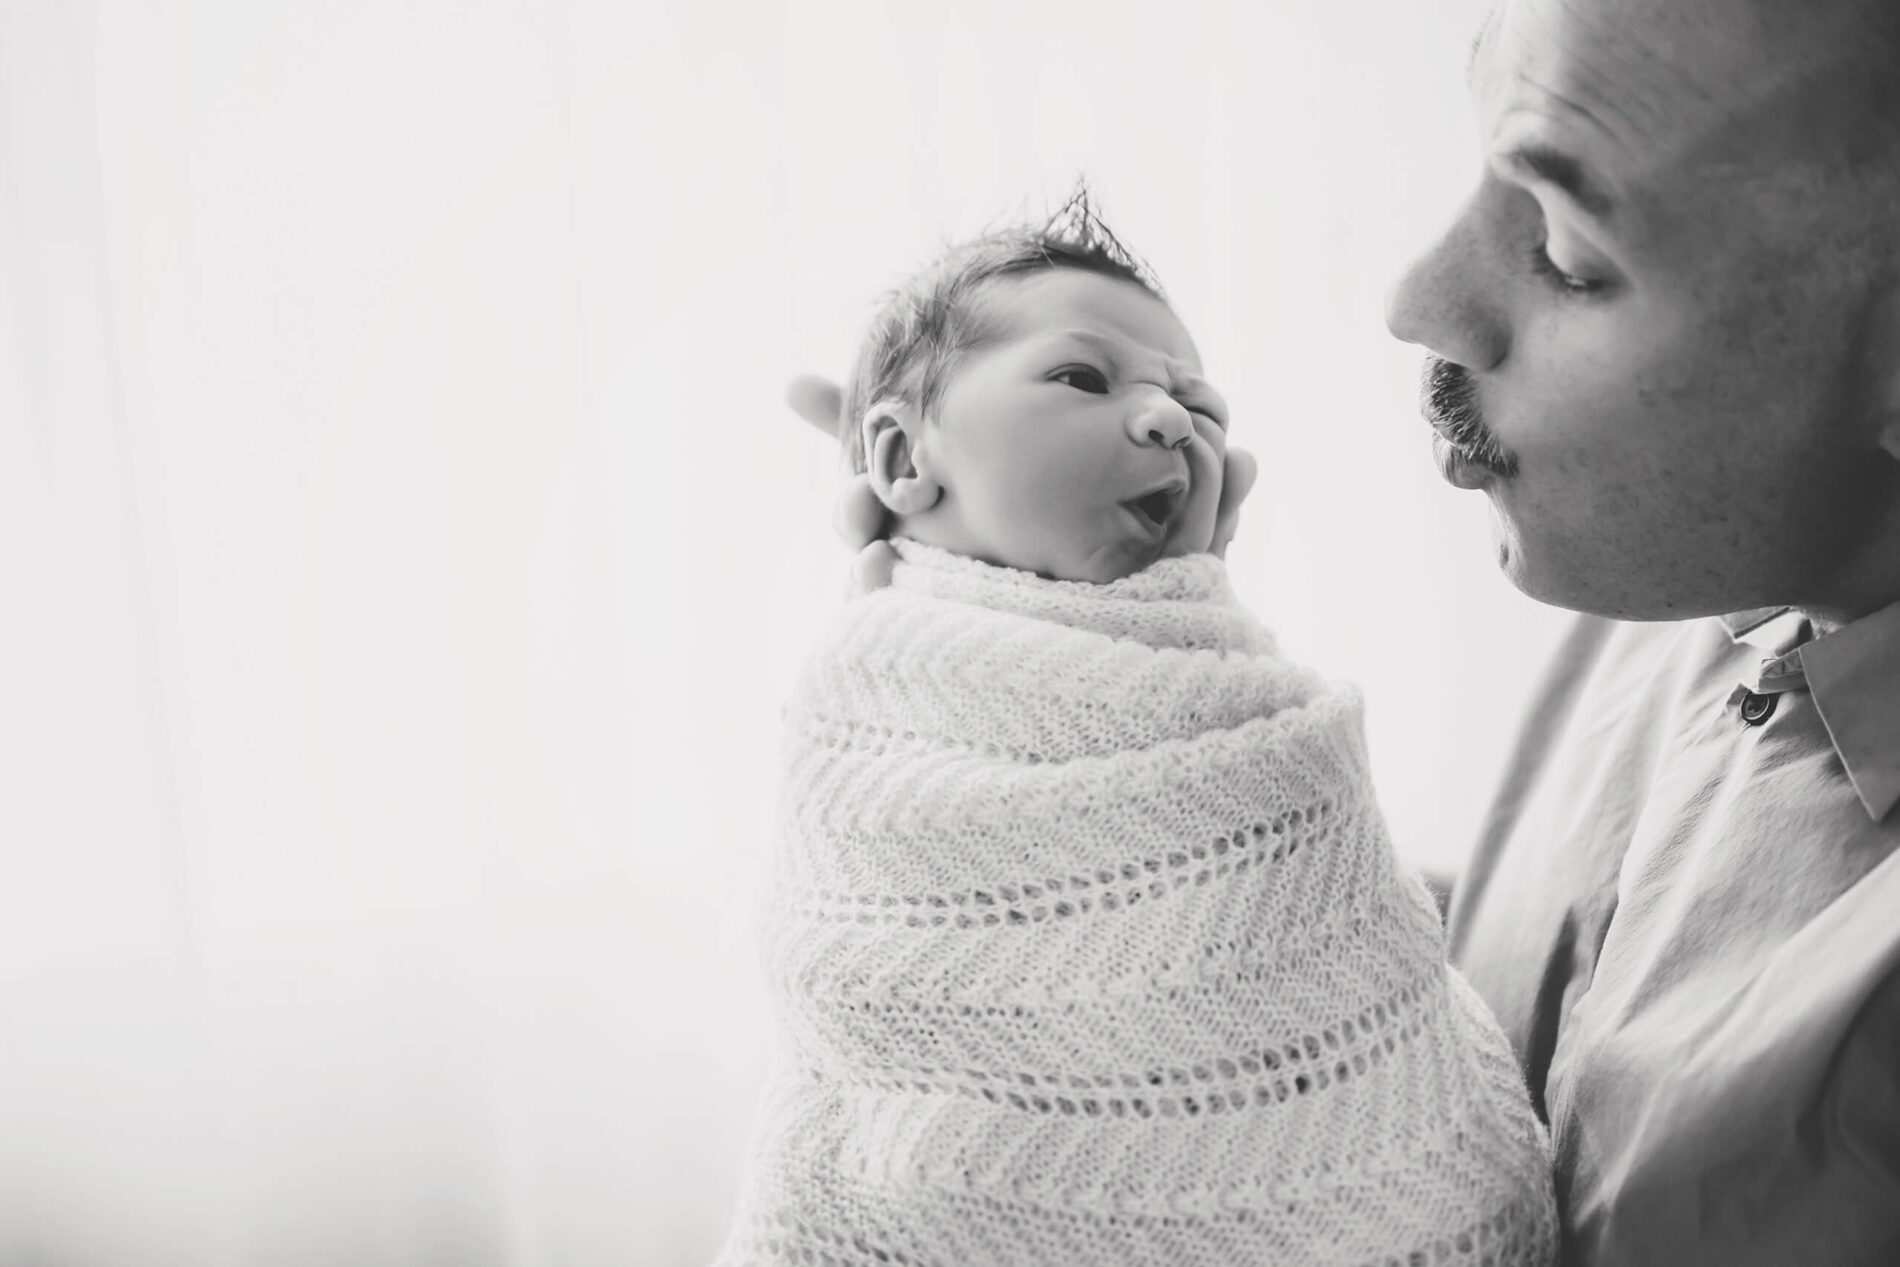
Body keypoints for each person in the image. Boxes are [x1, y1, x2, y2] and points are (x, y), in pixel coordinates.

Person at [805, 0, 1900, 1261]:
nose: (1415, 297)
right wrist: (1049, 724)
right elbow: (1481, 988)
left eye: (1560, 243)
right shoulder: (1669, 608)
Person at [724, 198, 1558, 1266]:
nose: (1169, 422)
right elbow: (853, 974)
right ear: (898, 456)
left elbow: (1314, 937)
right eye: (1083, 377)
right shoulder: (870, 698)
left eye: (1195, 404)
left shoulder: (1230, 693)